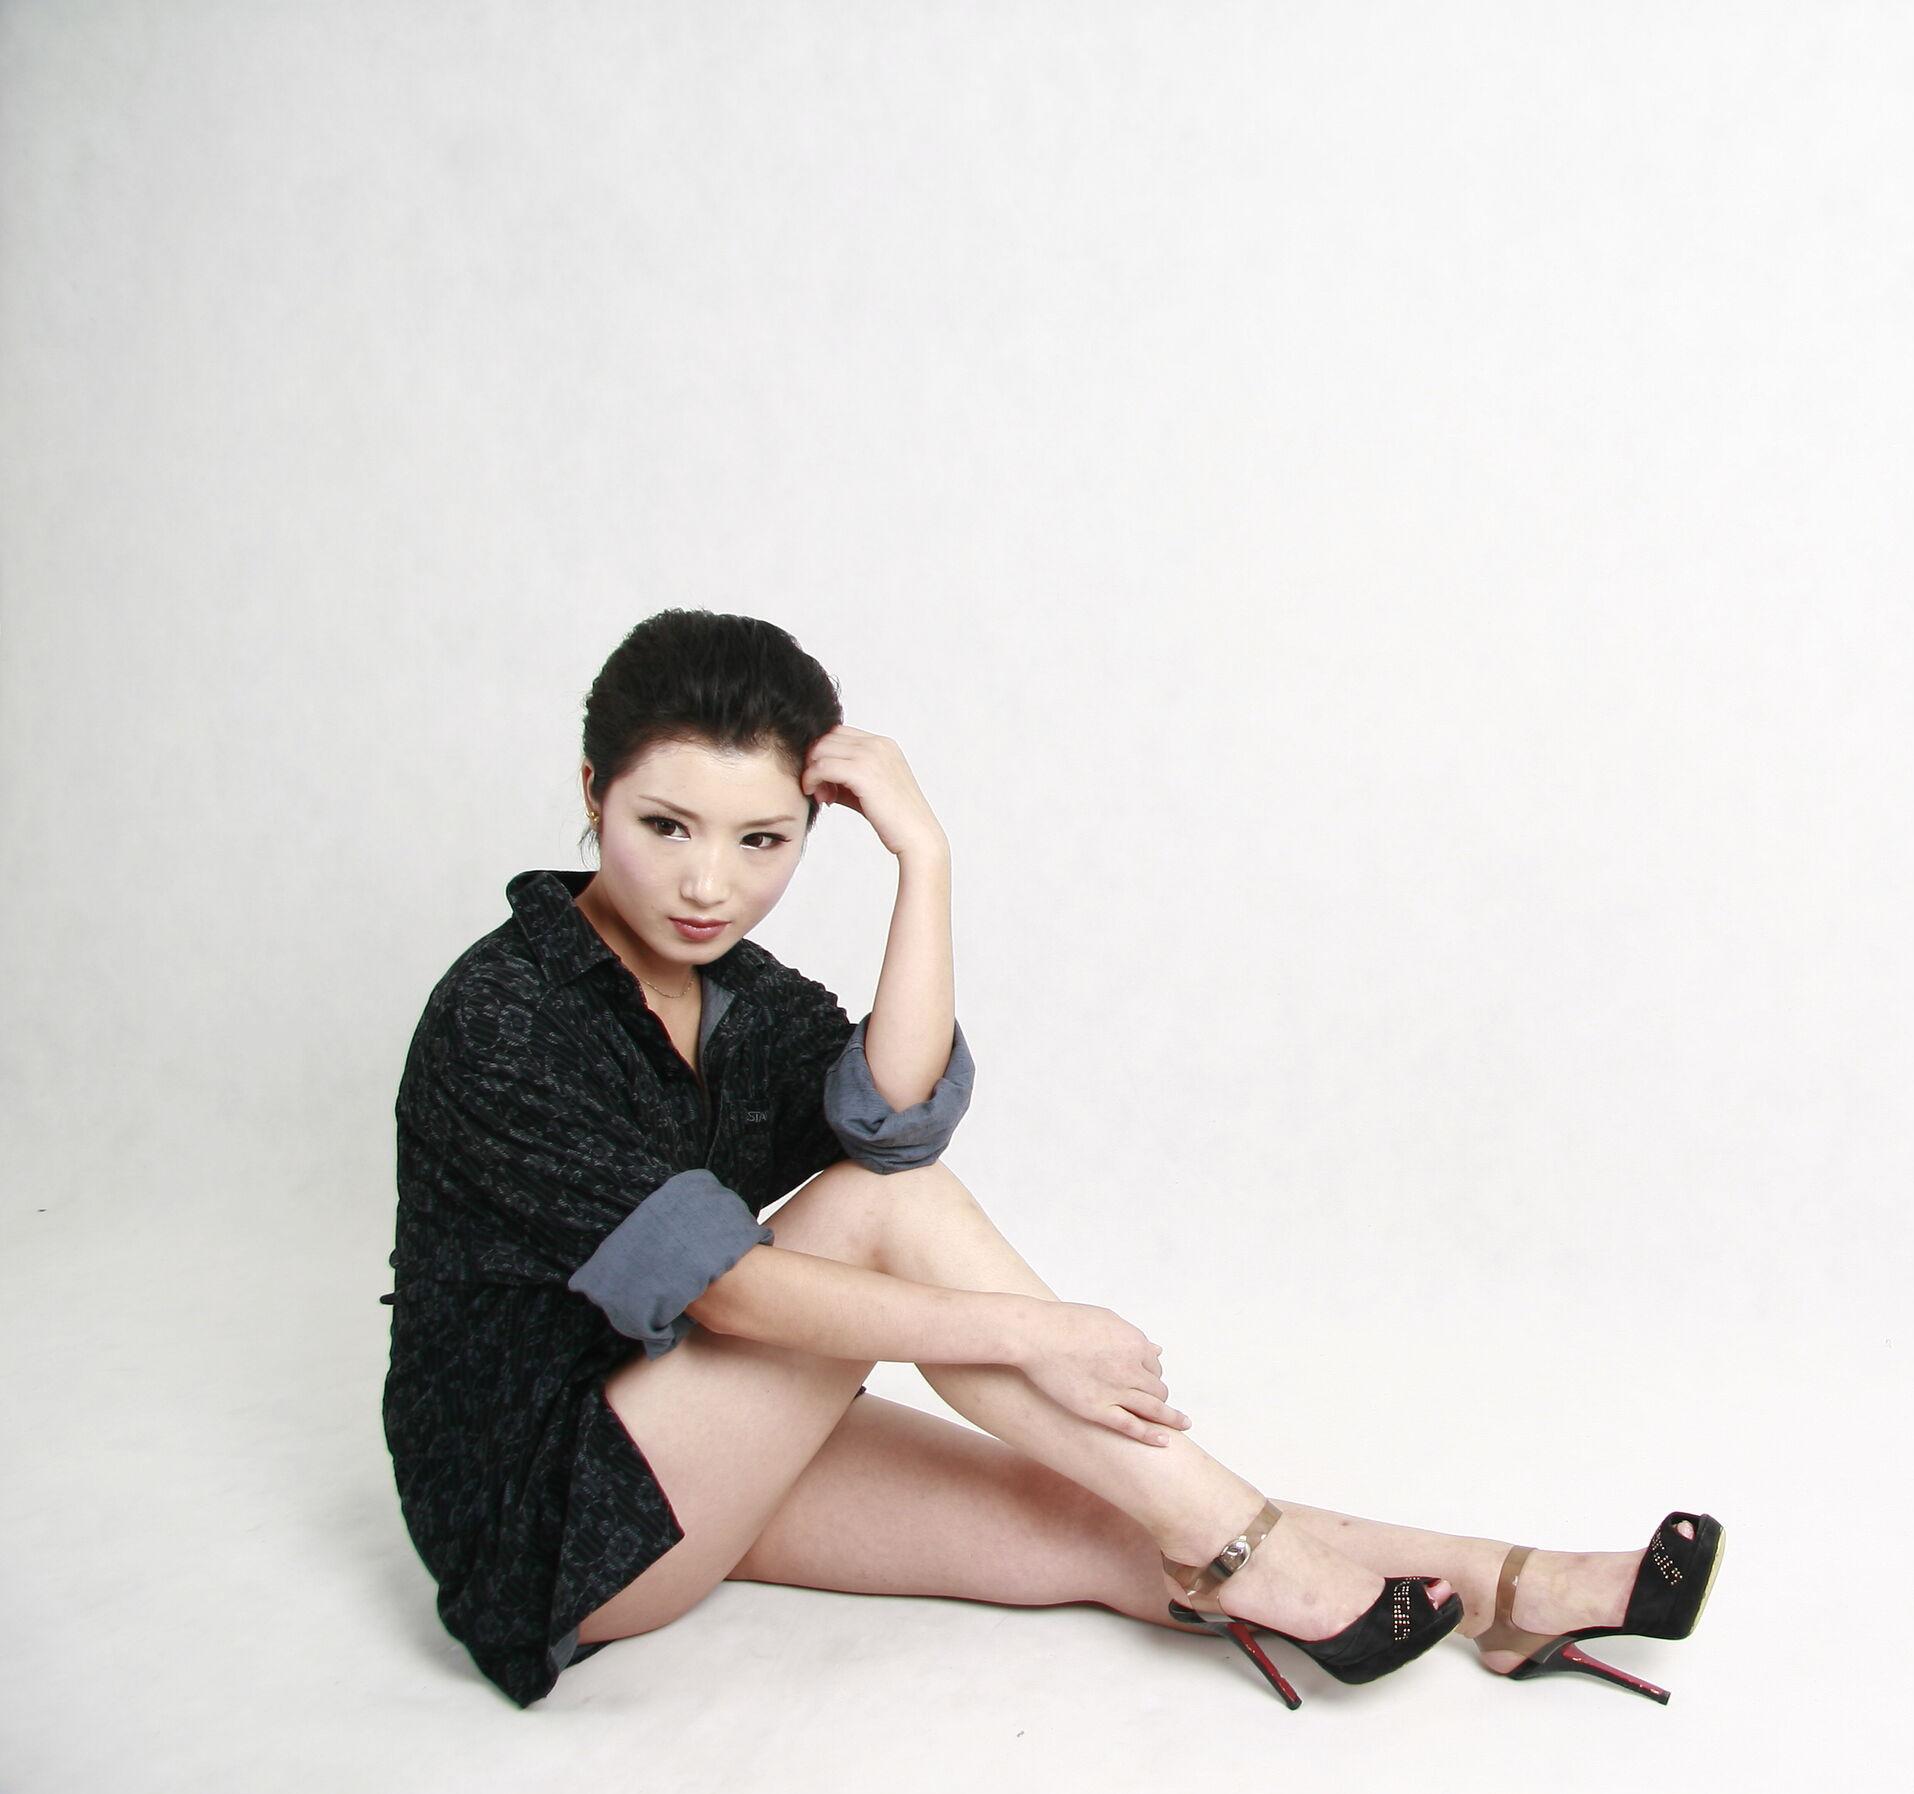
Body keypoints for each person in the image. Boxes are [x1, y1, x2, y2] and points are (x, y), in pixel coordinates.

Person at [380, 608, 1723, 1710]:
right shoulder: (505, 1014)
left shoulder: (738, 993)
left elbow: (891, 1112)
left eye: (762, 841)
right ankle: (1254, 1548)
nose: (707, 885)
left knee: (1094, 1519)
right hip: (554, 1517)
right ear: (592, 794)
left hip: (700, 1440)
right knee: (885, 1212)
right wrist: (1038, 1332)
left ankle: (1512, 1589)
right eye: (665, 826)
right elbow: (734, 1288)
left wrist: (925, 857)